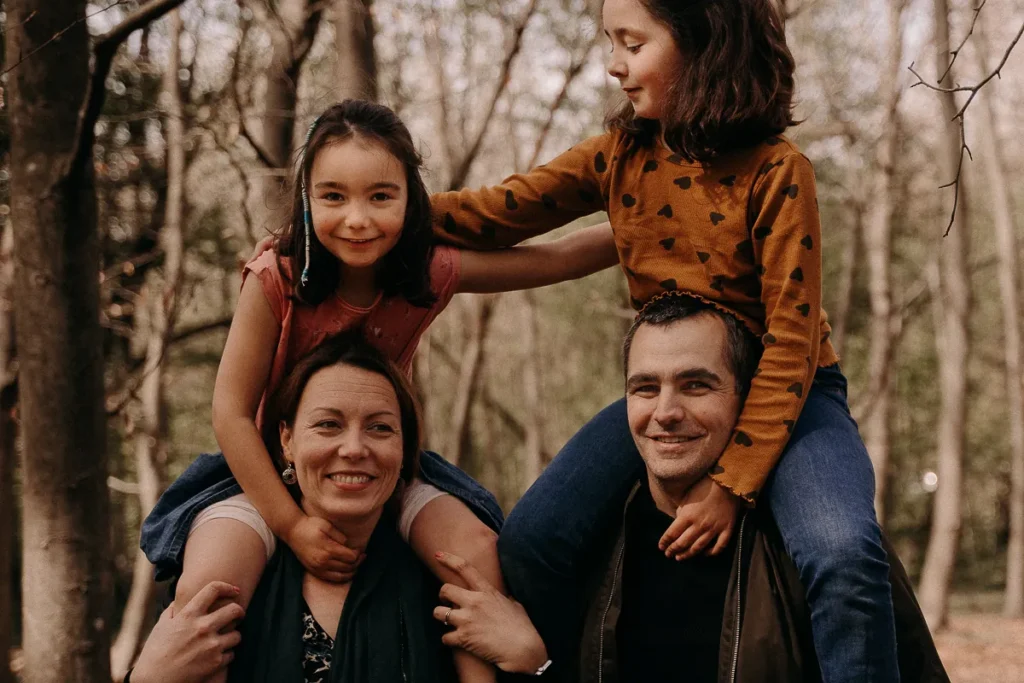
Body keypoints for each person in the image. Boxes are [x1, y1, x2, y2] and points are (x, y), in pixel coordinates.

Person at [426, 1, 899, 681]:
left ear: (704, 44)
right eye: (610, 42)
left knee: (843, 549)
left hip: (787, 393)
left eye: (633, 43)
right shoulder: (620, 155)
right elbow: (497, 212)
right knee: (533, 538)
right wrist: (379, 209)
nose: (614, 63)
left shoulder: (776, 171)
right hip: (674, 387)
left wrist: (731, 486)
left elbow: (792, 340)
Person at [139, 100, 618, 683]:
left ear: (412, 200)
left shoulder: (424, 273)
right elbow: (231, 413)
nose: (357, 219)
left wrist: (653, 220)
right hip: (269, 473)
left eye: (381, 197)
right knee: (208, 585)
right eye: (333, 197)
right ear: (307, 199)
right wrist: (291, 526)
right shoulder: (277, 279)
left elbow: (555, 259)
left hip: (385, 465)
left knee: (471, 553)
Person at [431, 295, 949, 683]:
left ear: (749, 401)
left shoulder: (817, 538)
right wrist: (536, 664)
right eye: (645, 388)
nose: (666, 413)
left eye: (697, 385)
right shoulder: (582, 542)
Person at [134, 332, 538, 682]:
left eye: (380, 428)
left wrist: (536, 664)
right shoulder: (234, 577)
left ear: (403, 449)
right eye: (328, 424)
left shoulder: (443, 585)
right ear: (287, 441)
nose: (354, 449)